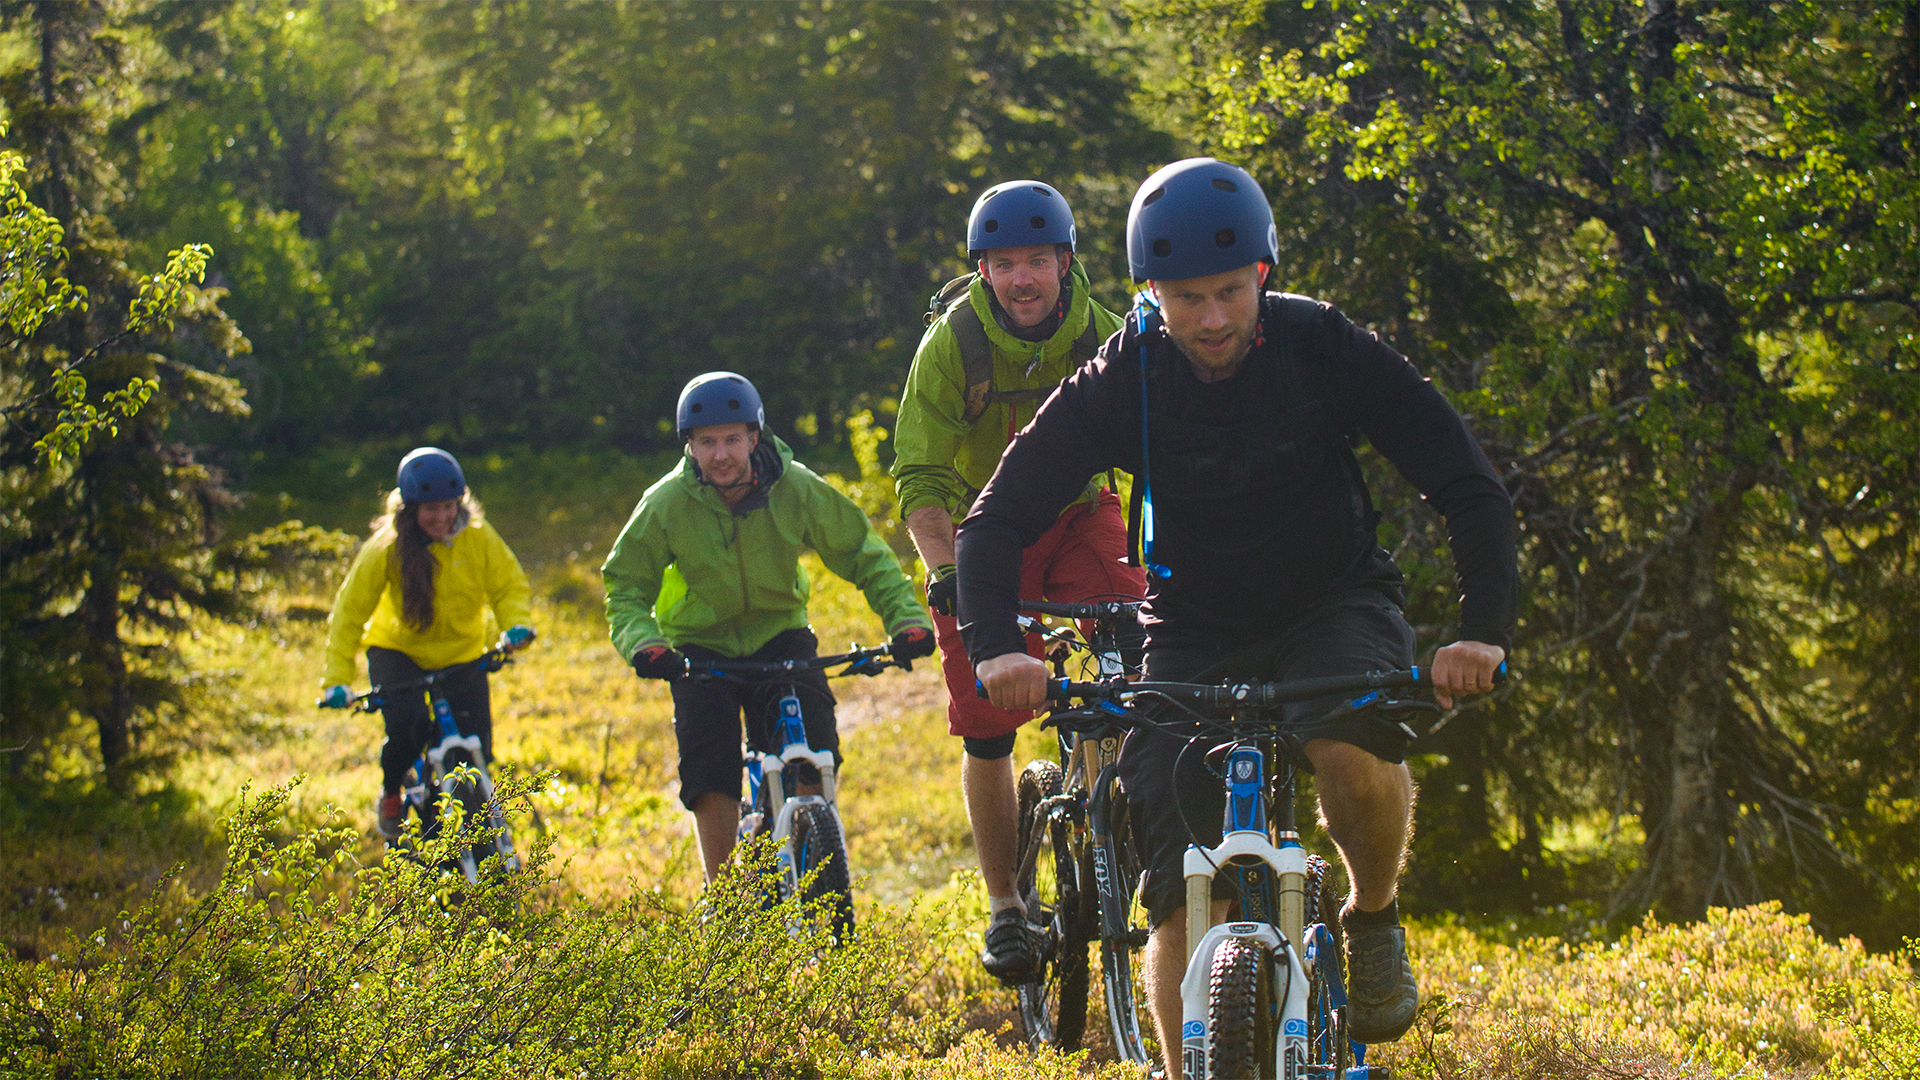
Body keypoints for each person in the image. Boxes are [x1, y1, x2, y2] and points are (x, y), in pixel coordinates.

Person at [958, 158, 1518, 1072]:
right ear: (1151, 293)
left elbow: (1465, 484)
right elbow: (997, 517)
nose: (1211, 320)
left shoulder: (1324, 345)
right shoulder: (1124, 373)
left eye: (1229, 293)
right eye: (1186, 299)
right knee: (1181, 889)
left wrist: (1480, 630)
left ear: (1262, 274)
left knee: (1351, 749)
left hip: (1333, 602)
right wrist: (993, 650)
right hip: (1189, 628)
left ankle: (1371, 915)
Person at [892, 179, 1147, 981]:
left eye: (1039, 259)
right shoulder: (952, 346)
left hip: (1076, 516)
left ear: (1067, 262)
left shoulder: (1102, 334)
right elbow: (921, 475)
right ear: (982, 271)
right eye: (1006, 264)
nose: (1025, 278)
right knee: (987, 724)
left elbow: (1153, 444)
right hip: (979, 534)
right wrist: (944, 574)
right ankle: (1006, 906)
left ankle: (1120, 815)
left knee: (1144, 652)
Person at [602, 371, 936, 885]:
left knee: (816, 751)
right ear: (688, 446)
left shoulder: (795, 486)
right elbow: (624, 586)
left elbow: (863, 553)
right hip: (699, 648)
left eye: (732, 439)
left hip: (781, 636)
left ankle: (813, 856)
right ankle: (726, 900)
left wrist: (906, 619)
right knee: (709, 772)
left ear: (755, 437)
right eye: (707, 442)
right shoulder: (666, 503)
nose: (721, 455)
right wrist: (644, 642)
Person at [319, 447, 537, 840]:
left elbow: (508, 585)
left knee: (478, 751)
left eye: (448, 507)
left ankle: (464, 839)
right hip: (398, 653)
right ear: (409, 510)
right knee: (408, 728)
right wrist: (337, 678)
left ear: (460, 502)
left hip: (462, 655)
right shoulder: (386, 547)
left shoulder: (478, 537)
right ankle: (391, 790)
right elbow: (349, 612)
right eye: (429, 509)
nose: (441, 517)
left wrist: (516, 625)